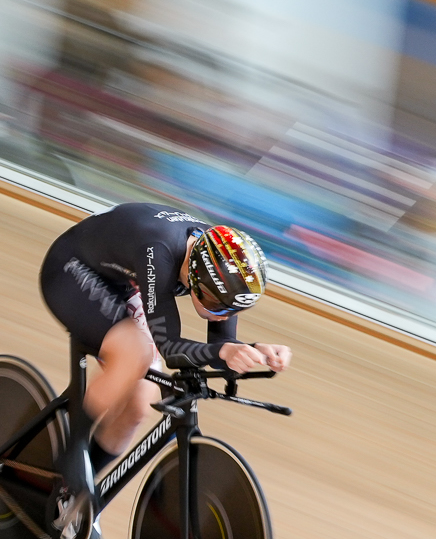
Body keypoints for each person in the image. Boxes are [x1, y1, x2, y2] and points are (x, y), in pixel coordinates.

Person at [39, 203, 293, 477]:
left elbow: (223, 351)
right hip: (70, 268)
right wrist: (225, 351)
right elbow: (170, 348)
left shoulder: (222, 268)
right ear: (195, 278)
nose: (223, 316)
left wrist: (253, 351)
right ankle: (73, 453)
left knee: (138, 406)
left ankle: (80, 501)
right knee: (134, 353)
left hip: (124, 277)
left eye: (233, 309)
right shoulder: (159, 252)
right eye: (217, 305)